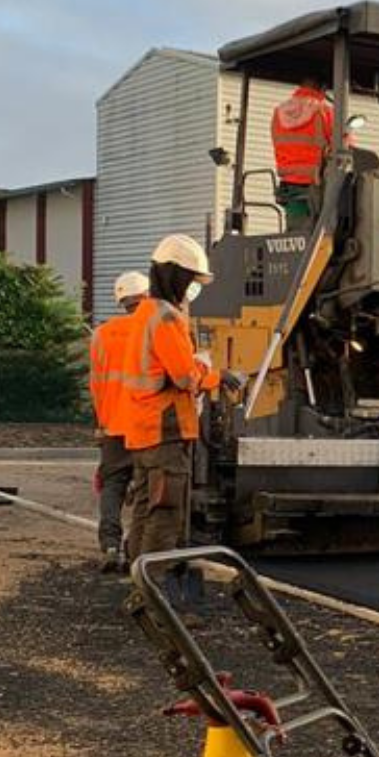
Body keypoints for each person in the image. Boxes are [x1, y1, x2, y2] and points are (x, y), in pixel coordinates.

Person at [121, 234, 243, 610]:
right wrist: (218, 376)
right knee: (165, 514)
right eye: (190, 279)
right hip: (166, 430)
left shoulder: (145, 313)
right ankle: (154, 601)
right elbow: (185, 376)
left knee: (145, 508)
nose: (192, 287)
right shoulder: (166, 318)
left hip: (144, 431)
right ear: (175, 275)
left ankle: (140, 588)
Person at [88, 269, 149, 573]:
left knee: (112, 487)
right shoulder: (153, 329)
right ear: (146, 296)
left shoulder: (101, 334)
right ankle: (135, 549)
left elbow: (96, 386)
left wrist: (100, 424)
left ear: (121, 300)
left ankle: (110, 546)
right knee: (146, 488)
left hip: (112, 425)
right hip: (146, 426)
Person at [270, 78, 335, 229]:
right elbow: (345, 148)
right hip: (318, 186)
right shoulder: (325, 112)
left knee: (296, 235)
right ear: (323, 87)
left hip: (290, 186)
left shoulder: (279, 113)